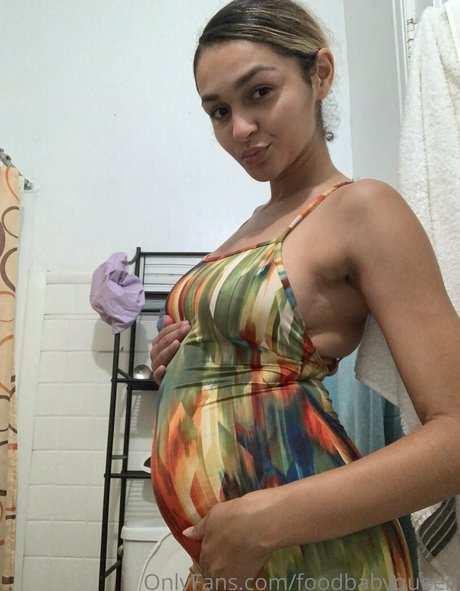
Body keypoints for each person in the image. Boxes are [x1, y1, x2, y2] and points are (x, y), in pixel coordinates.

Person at [150, 1, 460, 589]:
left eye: (260, 93)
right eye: (219, 111)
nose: (239, 128)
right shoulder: (250, 226)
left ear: (320, 74)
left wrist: (263, 523)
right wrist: (187, 363)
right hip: (230, 563)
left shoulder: (361, 209)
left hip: (319, 559)